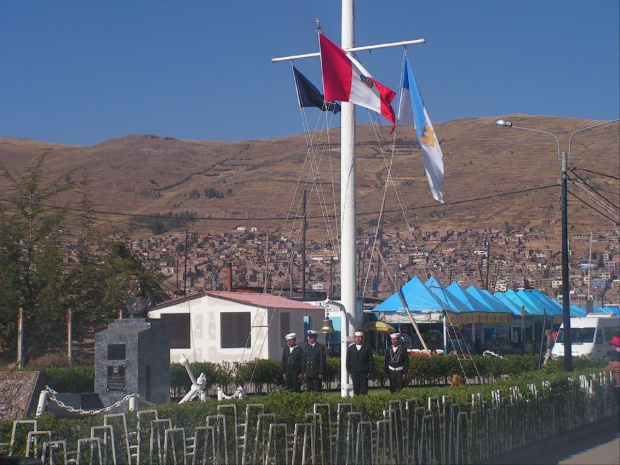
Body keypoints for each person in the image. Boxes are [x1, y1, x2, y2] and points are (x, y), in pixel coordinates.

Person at [346, 331, 374, 395]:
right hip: (354, 371)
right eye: (356, 337)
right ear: (354, 338)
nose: (358, 339)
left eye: (360, 337)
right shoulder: (351, 348)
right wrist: (350, 372)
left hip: (364, 371)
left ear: (362, 338)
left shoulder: (367, 348)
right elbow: (348, 361)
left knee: (364, 390)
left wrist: (370, 371)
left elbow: (371, 360)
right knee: (356, 390)